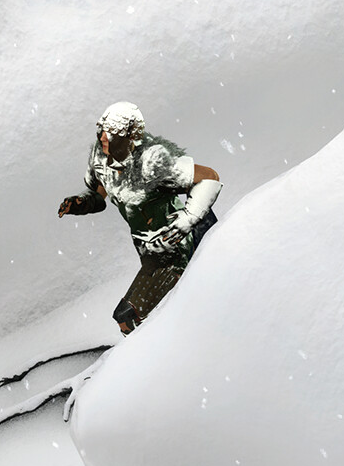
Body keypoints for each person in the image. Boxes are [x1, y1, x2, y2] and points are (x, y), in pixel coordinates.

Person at [57, 101, 222, 335]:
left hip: (176, 252)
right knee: (137, 317)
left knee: (129, 317)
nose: (103, 137)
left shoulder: (152, 162)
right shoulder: (101, 159)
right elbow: (99, 195)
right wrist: (80, 203)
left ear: (129, 137)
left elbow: (209, 177)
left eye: (111, 132)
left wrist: (187, 220)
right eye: (101, 130)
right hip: (149, 254)